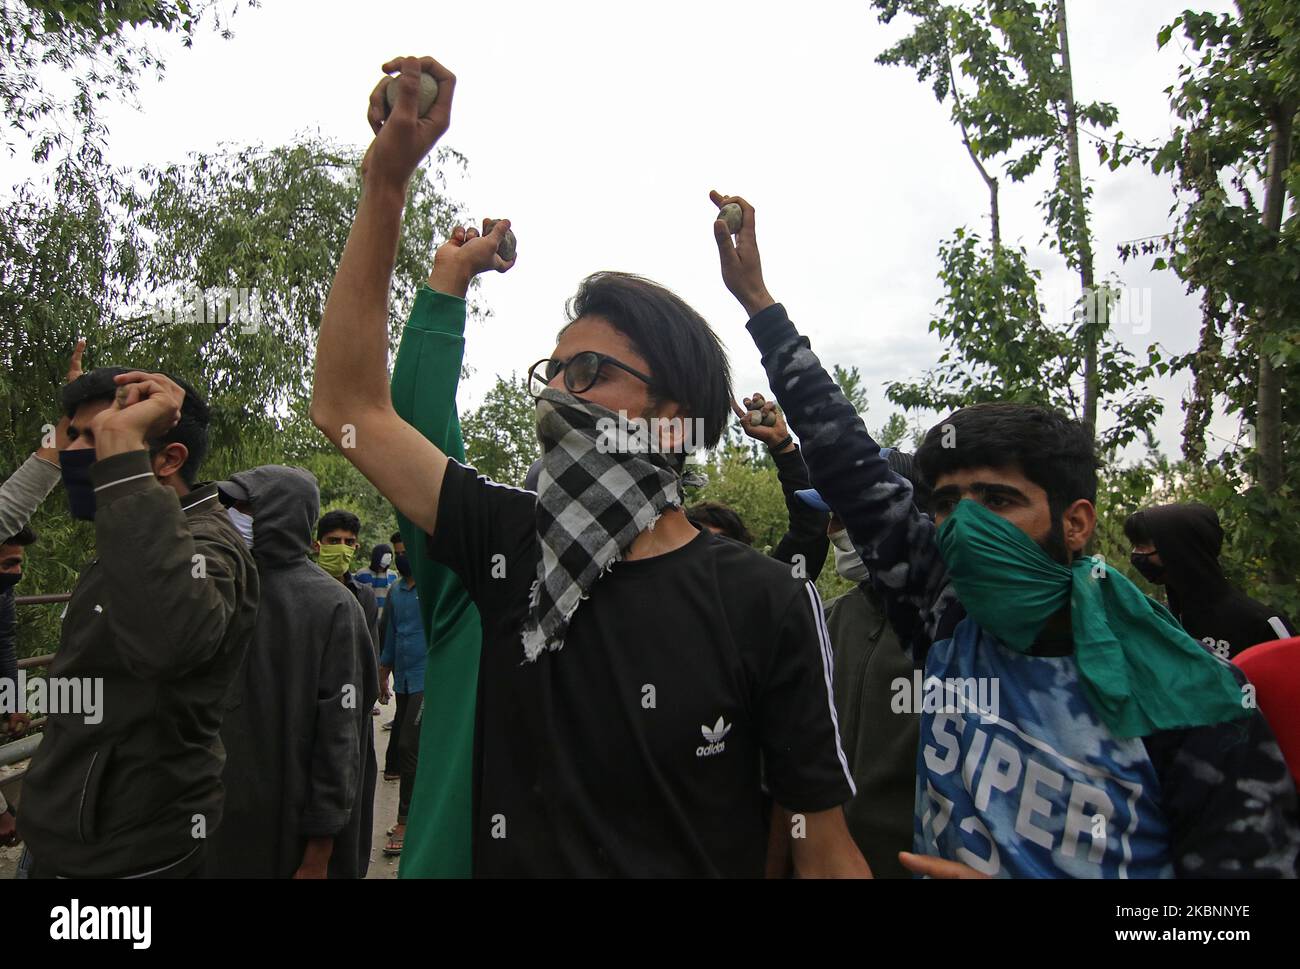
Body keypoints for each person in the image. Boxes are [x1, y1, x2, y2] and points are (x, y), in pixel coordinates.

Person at [310, 56, 866, 877]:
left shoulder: (766, 602)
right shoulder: (509, 548)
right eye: (554, 373)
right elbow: (351, 410)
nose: (557, 401)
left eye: (590, 375)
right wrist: (387, 184)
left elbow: (819, 851)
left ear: (673, 418)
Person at [713, 190, 1300, 878]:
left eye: (998, 500)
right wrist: (758, 300)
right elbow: (848, 458)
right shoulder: (946, 616)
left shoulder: (1192, 696)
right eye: (947, 502)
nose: (965, 526)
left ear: (1076, 522)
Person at [19, 364, 259, 878]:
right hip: (68, 837)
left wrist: (122, 465)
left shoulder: (207, 547)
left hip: (130, 855)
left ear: (168, 459)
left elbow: (169, 643)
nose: (73, 450)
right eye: (77, 434)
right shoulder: (138, 531)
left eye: (101, 436)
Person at [205, 466, 377, 878]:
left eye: (244, 507)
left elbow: (341, 738)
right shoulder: (224, 587)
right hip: (228, 815)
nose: (231, 516)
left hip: (296, 826)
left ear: (280, 514)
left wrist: (319, 851)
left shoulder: (335, 606)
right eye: (228, 506)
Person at [686, 391, 829, 581]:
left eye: (722, 546)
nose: (710, 559)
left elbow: (812, 529)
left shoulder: (768, 594)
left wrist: (782, 444)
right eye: (698, 546)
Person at [1125, 502, 1294, 659]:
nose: (1136, 555)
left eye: (1143, 546)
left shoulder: (1261, 625)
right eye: (1135, 546)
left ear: (1179, 550)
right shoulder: (1161, 620)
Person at [378, 552, 423, 855]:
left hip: (429, 679)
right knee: (411, 746)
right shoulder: (396, 592)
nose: (403, 554)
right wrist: (383, 677)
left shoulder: (433, 589)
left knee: (408, 745)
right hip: (404, 679)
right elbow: (391, 638)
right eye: (399, 550)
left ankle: (406, 820)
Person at [0, 526, 39, 739]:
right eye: (9, 564)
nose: (16, 572)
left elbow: (4, 644)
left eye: (18, 563)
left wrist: (14, 705)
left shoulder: (4, 593)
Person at [355, 543, 398, 612]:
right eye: (385, 558)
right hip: (368, 617)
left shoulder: (393, 575)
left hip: (386, 618)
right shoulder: (361, 574)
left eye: (389, 558)